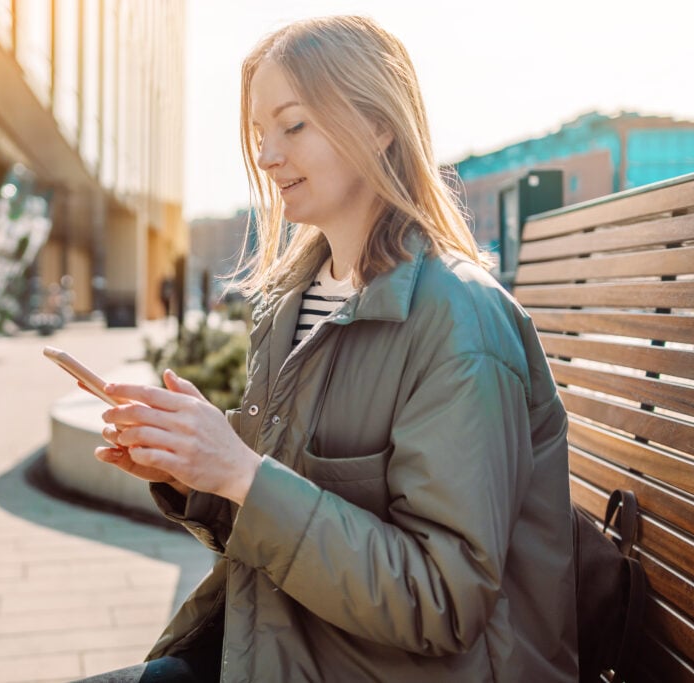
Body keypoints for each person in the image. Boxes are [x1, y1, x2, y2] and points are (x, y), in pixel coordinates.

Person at [77, 15, 577, 683]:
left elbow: (443, 599)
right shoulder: (294, 301)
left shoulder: (459, 323)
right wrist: (192, 472)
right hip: (278, 646)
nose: (266, 154)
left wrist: (241, 474)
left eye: (294, 125)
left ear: (378, 124)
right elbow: (283, 527)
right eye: (260, 134)